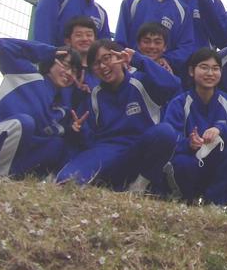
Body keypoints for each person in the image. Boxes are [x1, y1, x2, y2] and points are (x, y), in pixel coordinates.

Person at [56, 40, 180, 192]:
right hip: (109, 151)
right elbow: (89, 138)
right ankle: (114, 184)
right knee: (67, 180)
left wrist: (139, 60)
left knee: (165, 132)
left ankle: (140, 185)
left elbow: (173, 85)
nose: (103, 66)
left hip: (141, 147)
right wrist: (78, 130)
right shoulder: (94, 95)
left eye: (107, 58)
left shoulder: (141, 81)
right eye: (96, 63)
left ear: (120, 58)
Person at [0, 38, 81, 180]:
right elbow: (3, 45)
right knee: (23, 123)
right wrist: (48, 52)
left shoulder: (60, 110)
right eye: (66, 65)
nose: (69, 73)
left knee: (56, 145)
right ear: (52, 61)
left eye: (74, 71)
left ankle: (13, 181)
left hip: (5, 161)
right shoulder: (27, 74)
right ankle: (0, 180)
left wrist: (73, 130)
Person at [162, 48, 227, 208]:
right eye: (204, 67)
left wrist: (220, 129)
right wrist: (189, 143)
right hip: (190, 160)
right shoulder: (179, 102)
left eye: (215, 68)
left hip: (216, 161)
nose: (210, 73)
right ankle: (186, 198)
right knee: (181, 162)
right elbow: (170, 138)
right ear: (191, 71)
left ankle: (213, 201)